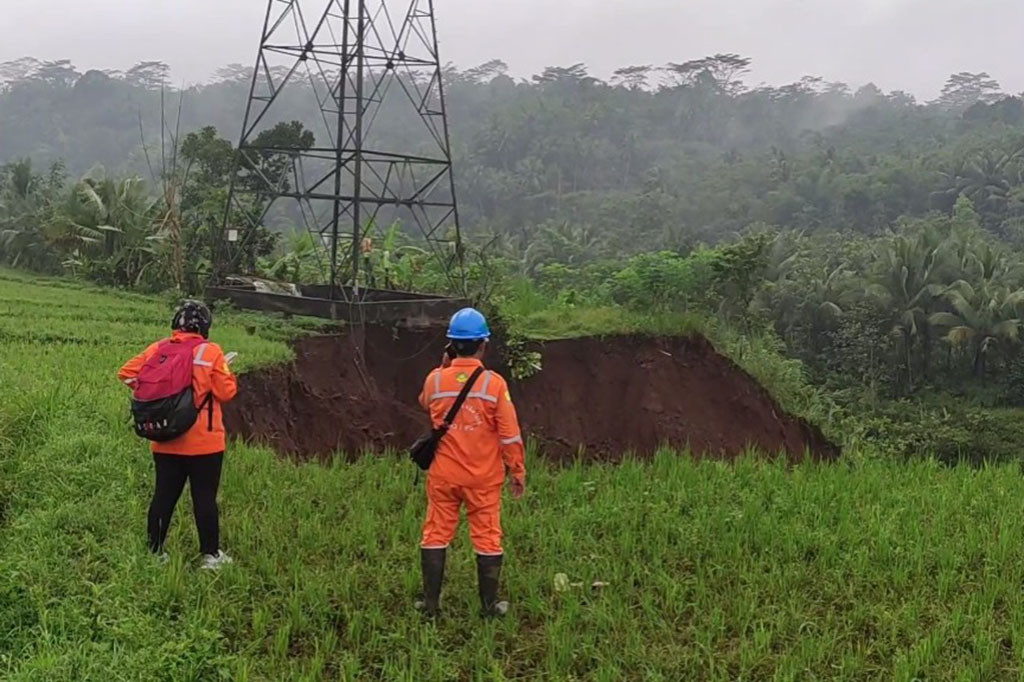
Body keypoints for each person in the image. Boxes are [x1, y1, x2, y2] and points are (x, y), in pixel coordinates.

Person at [416, 307, 527, 617]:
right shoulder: (494, 385)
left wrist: (443, 368)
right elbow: (509, 435)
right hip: (483, 479)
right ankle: (489, 607)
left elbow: (425, 403)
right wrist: (517, 470)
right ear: (483, 344)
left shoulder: (435, 380)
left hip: (444, 476)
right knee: (487, 536)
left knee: (435, 533)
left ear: (451, 345)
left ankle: (431, 605)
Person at [118, 300, 238, 569]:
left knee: (163, 495)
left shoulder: (158, 349)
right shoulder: (211, 352)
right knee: (204, 497)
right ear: (204, 326)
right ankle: (210, 555)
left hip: (165, 438)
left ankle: (154, 551)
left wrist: (158, 396)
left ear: (176, 324)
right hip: (204, 443)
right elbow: (226, 392)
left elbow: (126, 373)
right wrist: (225, 370)